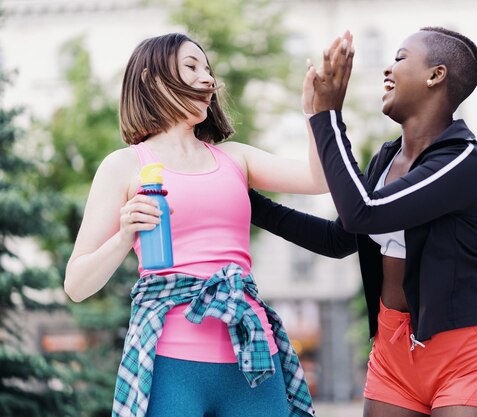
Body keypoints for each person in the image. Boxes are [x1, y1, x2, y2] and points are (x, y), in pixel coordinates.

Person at [249, 27, 477, 417]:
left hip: (467, 352)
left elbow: (365, 211)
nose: (387, 70)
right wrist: (248, 202)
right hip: (394, 350)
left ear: (435, 75)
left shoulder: (464, 161)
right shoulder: (387, 160)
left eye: (400, 58)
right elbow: (339, 237)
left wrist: (326, 117)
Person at [64, 33, 326, 417]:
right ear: (152, 79)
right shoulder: (123, 166)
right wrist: (124, 236)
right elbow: (76, 285)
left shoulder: (235, 158)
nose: (207, 79)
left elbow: (318, 180)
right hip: (171, 364)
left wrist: (315, 114)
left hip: (252, 358)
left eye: (207, 69)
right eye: (191, 67)